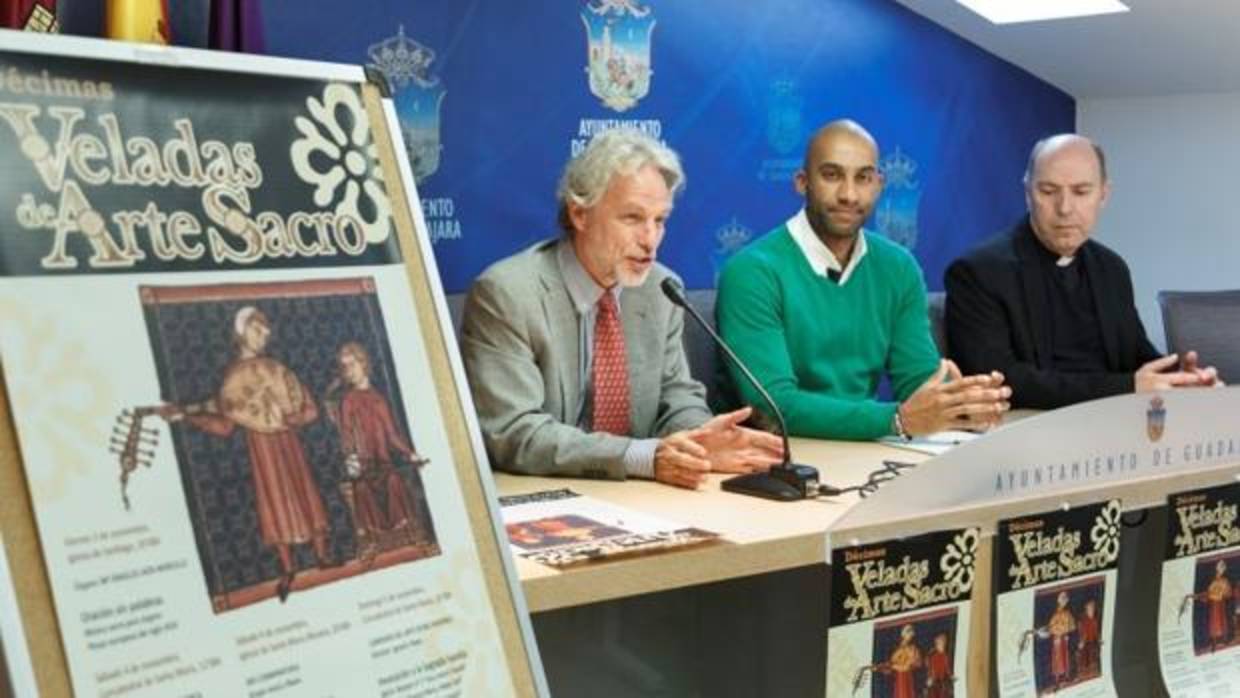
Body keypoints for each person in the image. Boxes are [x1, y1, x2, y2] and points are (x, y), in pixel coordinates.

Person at [461, 129, 783, 489]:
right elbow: (514, 432)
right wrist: (642, 457)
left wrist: (698, 441)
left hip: (639, 496)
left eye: (659, 220)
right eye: (632, 218)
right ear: (580, 214)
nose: (649, 239)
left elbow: (677, 398)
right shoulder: (508, 294)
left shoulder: (661, 290)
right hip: (541, 496)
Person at [717, 119, 1010, 440]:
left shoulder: (898, 266)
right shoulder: (752, 271)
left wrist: (960, 405)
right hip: (775, 458)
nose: (849, 194)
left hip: (868, 449)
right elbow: (773, 408)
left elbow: (919, 380)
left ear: (879, 184)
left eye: (863, 178)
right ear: (802, 182)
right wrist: (896, 420)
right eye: (831, 175)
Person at [945, 134, 1219, 409]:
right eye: (1049, 191)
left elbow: (1136, 355)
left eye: (1081, 192)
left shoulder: (1111, 268)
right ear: (1028, 193)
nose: (1064, 208)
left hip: (1115, 424)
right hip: (1032, 430)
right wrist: (1127, 387)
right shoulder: (978, 272)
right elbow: (999, 382)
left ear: (1103, 194)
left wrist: (1181, 378)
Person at [158, 306, 332, 602]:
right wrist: (186, 418)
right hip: (262, 449)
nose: (265, 334)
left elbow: (310, 409)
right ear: (240, 333)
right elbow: (226, 425)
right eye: (257, 329)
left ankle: (322, 556)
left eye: (266, 329)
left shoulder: (277, 369)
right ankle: (288, 569)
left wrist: (293, 419)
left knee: (305, 494)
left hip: (288, 443)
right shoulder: (233, 378)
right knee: (274, 502)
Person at [327, 341, 429, 556]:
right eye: (345, 367)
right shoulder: (348, 401)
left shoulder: (378, 400)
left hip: (384, 463)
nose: (349, 371)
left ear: (364, 364)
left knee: (394, 482)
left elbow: (392, 435)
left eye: (352, 364)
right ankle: (372, 540)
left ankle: (408, 533)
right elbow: (346, 436)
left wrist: (410, 453)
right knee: (361, 489)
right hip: (363, 467)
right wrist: (351, 460)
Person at [1041, 591, 1076, 690]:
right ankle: (1057, 680)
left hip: (1064, 638)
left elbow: (1071, 625)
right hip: (1057, 639)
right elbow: (1051, 627)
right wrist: (1056, 634)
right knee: (1057, 658)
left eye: (1065, 600)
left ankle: (1066, 676)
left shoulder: (1068, 613)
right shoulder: (1055, 614)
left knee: (1065, 656)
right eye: (1062, 600)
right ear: (1059, 601)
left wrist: (1067, 634)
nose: (1064, 602)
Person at [1076, 598, 1101, 678]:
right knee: (1084, 658)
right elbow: (1081, 631)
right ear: (1086, 609)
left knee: (1092, 656)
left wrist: (1099, 639)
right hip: (1084, 642)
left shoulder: (1094, 620)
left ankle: (1091, 671)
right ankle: (1083, 673)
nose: (1092, 610)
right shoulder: (1082, 620)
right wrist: (1081, 641)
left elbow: (1096, 631)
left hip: (1092, 641)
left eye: (1093, 608)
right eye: (1090, 608)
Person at [925, 632, 954, 698]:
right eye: (940, 644)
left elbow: (947, 668)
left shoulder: (945, 656)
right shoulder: (933, 657)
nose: (942, 646)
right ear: (937, 645)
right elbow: (930, 668)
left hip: (942, 681)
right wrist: (930, 677)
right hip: (935, 681)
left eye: (944, 644)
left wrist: (950, 675)